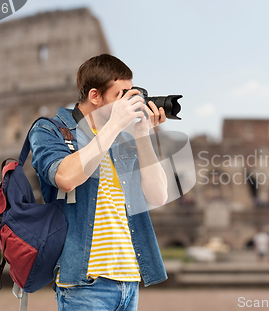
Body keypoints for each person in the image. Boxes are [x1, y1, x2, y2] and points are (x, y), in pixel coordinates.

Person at [29, 54, 169, 311]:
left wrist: (142, 134)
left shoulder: (122, 139)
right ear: (95, 96)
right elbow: (66, 178)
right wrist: (114, 124)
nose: (129, 102)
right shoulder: (51, 130)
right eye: (121, 94)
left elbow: (158, 196)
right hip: (85, 284)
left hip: (129, 281)